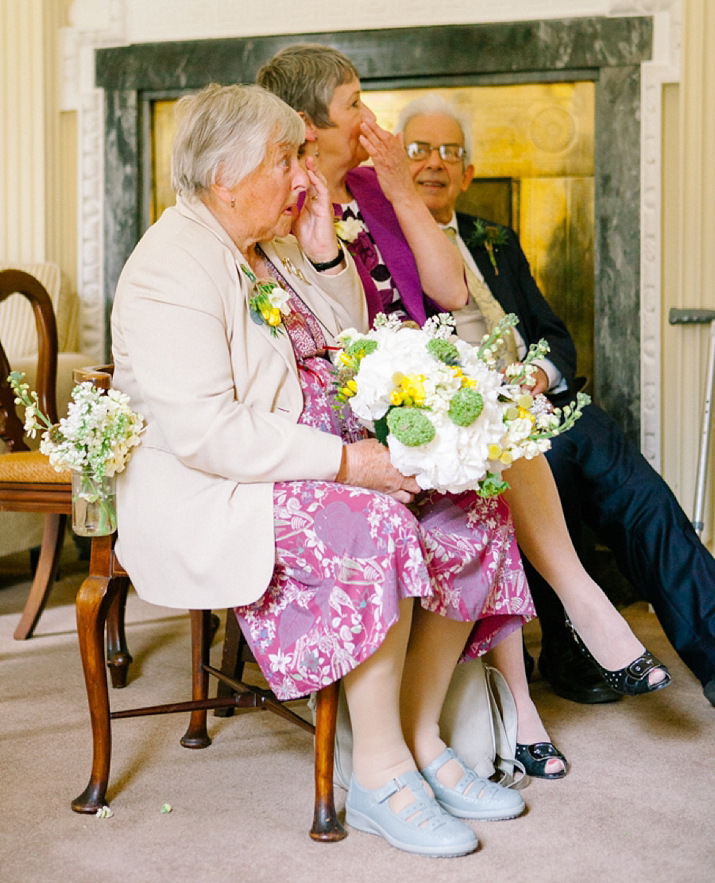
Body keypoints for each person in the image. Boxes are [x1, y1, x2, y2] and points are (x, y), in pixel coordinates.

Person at [111, 82, 537, 859]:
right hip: (224, 490)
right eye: (286, 160)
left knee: (475, 501)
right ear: (225, 177)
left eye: (302, 155)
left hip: (310, 459)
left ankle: (419, 737)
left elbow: (349, 339)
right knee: (372, 522)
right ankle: (377, 776)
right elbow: (209, 432)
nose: (305, 175)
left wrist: (319, 247)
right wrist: (352, 462)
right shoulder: (169, 268)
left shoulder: (264, 242)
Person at [256, 45, 671, 779]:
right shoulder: (275, 207)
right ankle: (560, 642)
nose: (371, 119)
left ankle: (544, 660)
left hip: (426, 382)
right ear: (306, 122)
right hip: (362, 402)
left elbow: (447, 290)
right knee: (493, 446)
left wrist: (396, 189)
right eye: (355, 103)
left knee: (497, 445)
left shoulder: (371, 187)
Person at [394, 90, 715, 709]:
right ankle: (573, 650)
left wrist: (538, 378)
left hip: (547, 402)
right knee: (553, 483)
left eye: (449, 152)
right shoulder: (385, 248)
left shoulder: (494, 238)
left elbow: (551, 334)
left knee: (644, 497)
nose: (434, 162)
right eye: (419, 149)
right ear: (397, 169)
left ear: (468, 173)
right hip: (481, 421)